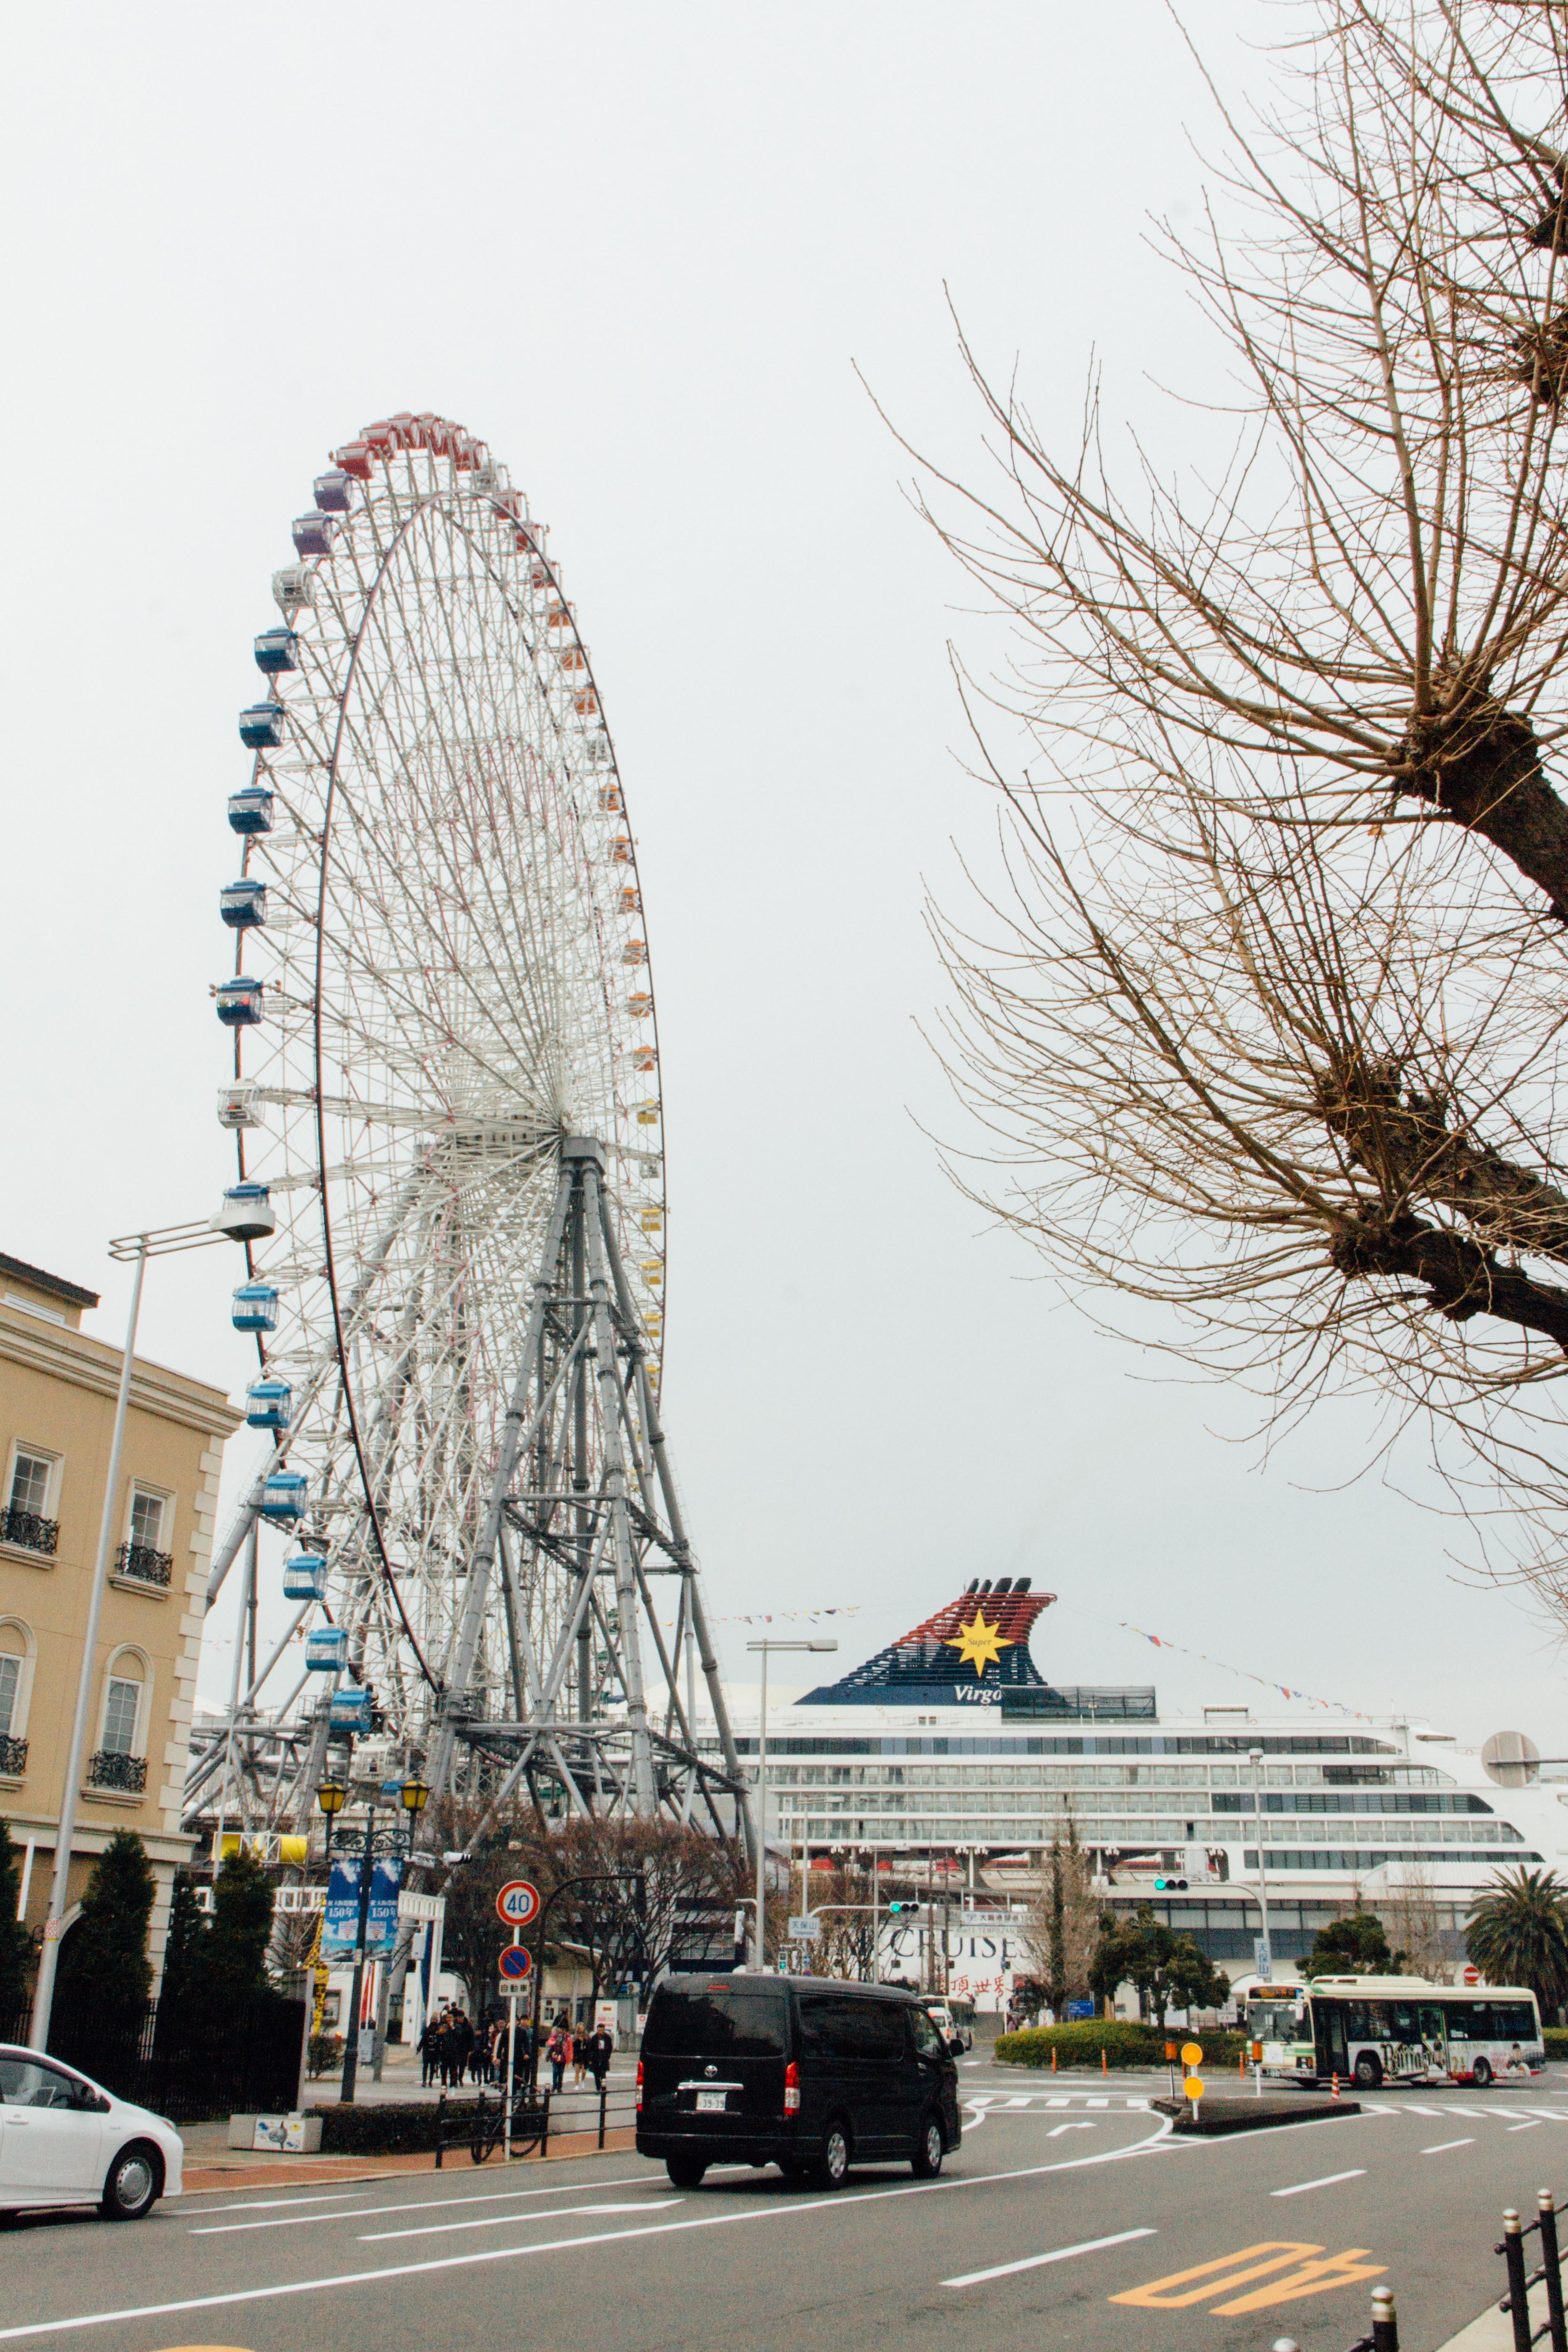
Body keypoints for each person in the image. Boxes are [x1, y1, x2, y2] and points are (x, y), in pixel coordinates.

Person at [587, 2024, 614, 2091]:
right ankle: (598, 2088)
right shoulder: (594, 2038)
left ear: (604, 2030)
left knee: (603, 2074)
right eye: (599, 2030)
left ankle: (604, 2088)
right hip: (595, 2058)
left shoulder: (607, 2038)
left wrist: (608, 2056)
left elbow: (610, 2048)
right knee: (596, 2075)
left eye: (602, 2031)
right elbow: (590, 2049)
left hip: (604, 2058)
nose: (600, 2032)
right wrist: (590, 2059)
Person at [547, 2019, 568, 2093]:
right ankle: (555, 2085)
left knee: (561, 2073)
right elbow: (551, 2046)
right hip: (555, 2056)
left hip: (563, 2057)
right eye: (562, 2029)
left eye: (565, 2030)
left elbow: (570, 2049)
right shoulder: (555, 2037)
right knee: (555, 2072)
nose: (563, 2031)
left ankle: (559, 2087)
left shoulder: (567, 2038)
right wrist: (549, 2055)